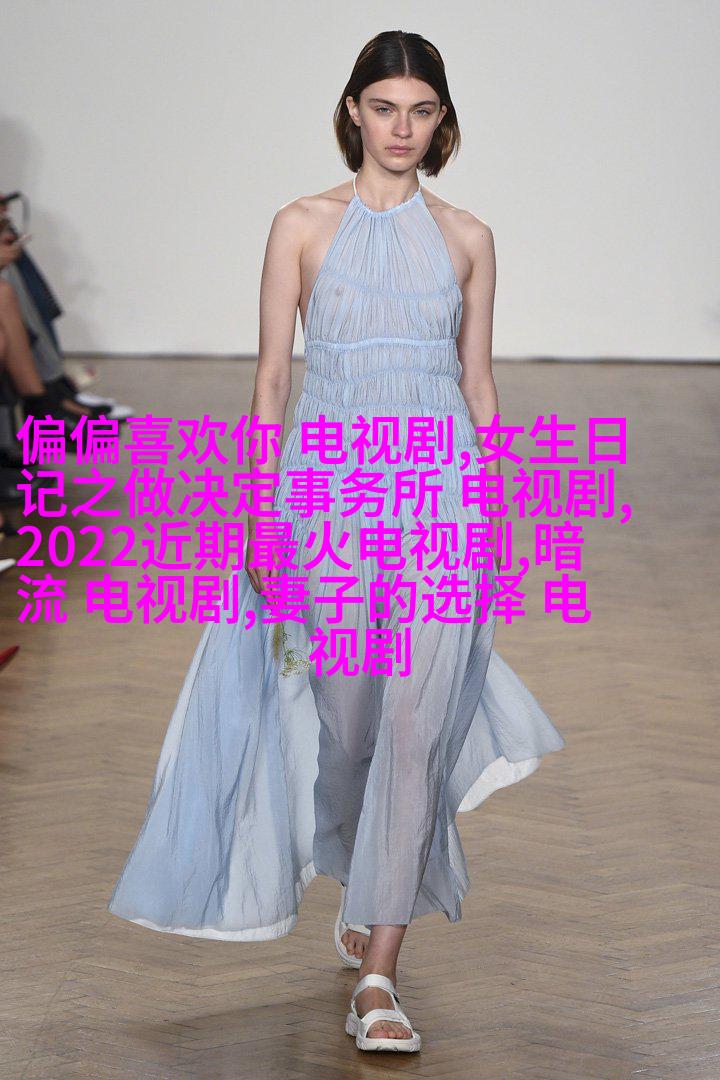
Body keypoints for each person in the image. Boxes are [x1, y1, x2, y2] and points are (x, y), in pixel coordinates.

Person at [108, 30, 566, 1054]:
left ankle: (380, 974)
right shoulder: (301, 227)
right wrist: (258, 512)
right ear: (354, 110)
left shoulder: (469, 237)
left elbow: (479, 383)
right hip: (330, 497)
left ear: (442, 121)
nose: (403, 128)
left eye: (422, 111)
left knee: (413, 729)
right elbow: (272, 379)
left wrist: (496, 512)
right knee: (349, 729)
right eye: (385, 107)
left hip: (441, 494)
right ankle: (359, 875)